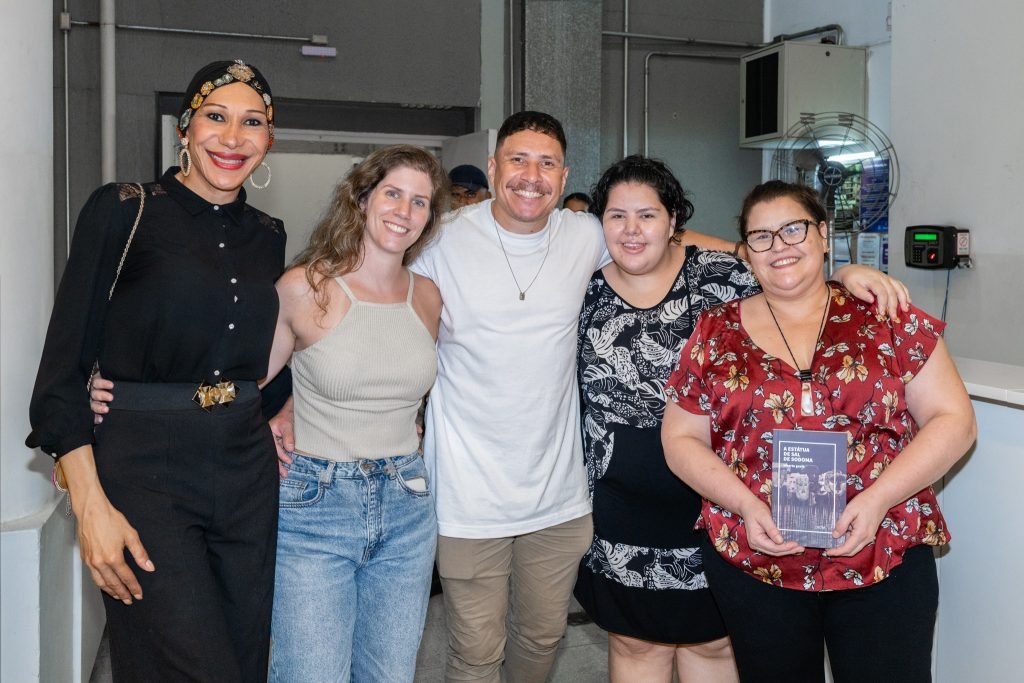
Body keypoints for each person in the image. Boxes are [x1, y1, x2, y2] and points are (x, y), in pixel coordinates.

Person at [268, 112, 908, 683]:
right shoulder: (440, 241)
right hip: (484, 494)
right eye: (517, 159)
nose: (531, 175)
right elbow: (368, 309)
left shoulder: (596, 240)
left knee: (571, 640)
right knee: (480, 649)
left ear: (565, 175)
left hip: (604, 495)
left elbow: (729, 253)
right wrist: (291, 398)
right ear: (492, 169)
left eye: (547, 163)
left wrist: (836, 269)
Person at [575, 158, 909, 682]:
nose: (632, 229)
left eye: (648, 214)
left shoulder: (720, 279)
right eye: (617, 216)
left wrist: (846, 270)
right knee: (635, 644)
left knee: (714, 645)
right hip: (621, 501)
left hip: (718, 501)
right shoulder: (583, 288)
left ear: (673, 221)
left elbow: (787, 268)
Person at [26, 60, 283, 682]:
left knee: (244, 665)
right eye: (216, 117)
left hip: (246, 472)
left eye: (252, 123)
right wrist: (91, 508)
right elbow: (60, 373)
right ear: (185, 129)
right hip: (145, 469)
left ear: (269, 140)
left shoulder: (269, 235)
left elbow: (270, 350)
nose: (232, 137)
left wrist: (285, 405)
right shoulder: (122, 209)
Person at [661, 180, 977, 682]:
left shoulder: (885, 315)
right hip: (757, 555)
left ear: (823, 234)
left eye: (793, 229)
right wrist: (745, 504)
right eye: (761, 237)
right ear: (746, 253)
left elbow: (955, 421)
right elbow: (680, 439)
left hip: (883, 550)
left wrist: (876, 501)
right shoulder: (714, 331)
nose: (779, 246)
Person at [265, 145, 446, 682]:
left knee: (388, 675)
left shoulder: (429, 297)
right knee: (310, 673)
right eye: (393, 193)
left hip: (407, 502)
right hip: (315, 503)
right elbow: (241, 383)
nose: (404, 211)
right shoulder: (304, 288)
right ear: (363, 198)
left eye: (420, 202)